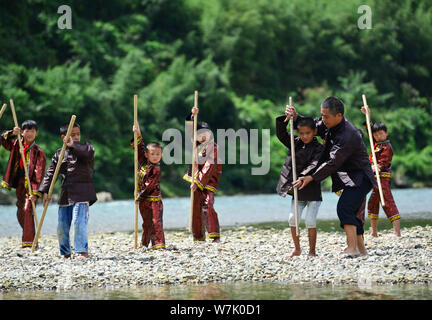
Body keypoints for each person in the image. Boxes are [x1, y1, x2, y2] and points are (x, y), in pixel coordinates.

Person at [288, 96, 376, 257]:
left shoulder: (348, 134)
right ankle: (361, 250)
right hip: (349, 177)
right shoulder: (327, 123)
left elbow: (333, 162)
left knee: (344, 208)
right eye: (322, 115)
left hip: (360, 178)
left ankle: (351, 248)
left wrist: (311, 177)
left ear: (339, 116)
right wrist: (296, 117)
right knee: (353, 211)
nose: (322, 119)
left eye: (326, 116)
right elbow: (311, 126)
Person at [37, 122, 97, 260]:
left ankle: (82, 251)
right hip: (66, 193)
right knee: (62, 226)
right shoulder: (59, 153)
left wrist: (73, 145)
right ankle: (65, 252)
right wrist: (45, 191)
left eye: (78, 134)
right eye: (72, 135)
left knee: (78, 221)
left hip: (82, 192)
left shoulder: (86, 147)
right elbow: (50, 173)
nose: (76, 137)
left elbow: (88, 154)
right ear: (64, 137)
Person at [276, 115, 324, 258]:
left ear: (314, 131)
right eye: (301, 133)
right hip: (297, 191)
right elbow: (281, 134)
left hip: (313, 191)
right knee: (292, 219)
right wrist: (286, 117)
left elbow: (315, 164)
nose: (304, 136)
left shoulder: (320, 148)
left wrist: (303, 176)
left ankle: (312, 251)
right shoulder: (294, 142)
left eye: (307, 133)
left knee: (310, 221)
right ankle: (297, 249)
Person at [1, 120, 46, 249]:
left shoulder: (38, 152)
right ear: (22, 132)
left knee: (28, 209)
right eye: (27, 131)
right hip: (19, 183)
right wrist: (11, 133)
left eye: (32, 131)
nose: (29, 134)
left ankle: (29, 243)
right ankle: (30, 237)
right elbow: (2, 140)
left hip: (31, 186)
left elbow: (39, 173)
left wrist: (36, 193)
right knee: (21, 211)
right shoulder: (16, 144)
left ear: (36, 133)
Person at [183, 106, 222, 242]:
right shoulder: (196, 146)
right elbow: (190, 130)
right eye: (199, 135)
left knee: (208, 204)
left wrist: (198, 182)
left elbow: (209, 167)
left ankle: (214, 235)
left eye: (206, 134)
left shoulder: (214, 148)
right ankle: (198, 236)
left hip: (208, 181)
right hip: (196, 180)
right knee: (195, 207)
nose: (203, 137)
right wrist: (192, 116)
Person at [360, 114, 401, 237]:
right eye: (376, 134)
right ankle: (373, 232)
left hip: (383, 178)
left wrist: (375, 167)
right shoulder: (376, 144)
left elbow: (384, 163)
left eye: (381, 134)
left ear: (386, 133)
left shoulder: (387, 147)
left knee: (387, 202)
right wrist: (367, 114)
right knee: (373, 202)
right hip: (374, 178)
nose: (378, 136)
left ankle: (397, 232)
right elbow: (369, 129)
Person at [131, 124, 165, 250]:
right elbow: (139, 150)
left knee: (156, 221)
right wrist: (138, 134)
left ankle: (159, 243)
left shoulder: (156, 169)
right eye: (152, 154)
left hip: (153, 200)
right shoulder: (144, 163)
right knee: (146, 223)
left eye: (158, 154)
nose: (155, 156)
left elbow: (150, 185)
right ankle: (144, 243)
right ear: (147, 155)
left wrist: (140, 196)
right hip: (143, 200)